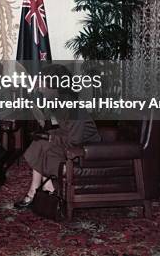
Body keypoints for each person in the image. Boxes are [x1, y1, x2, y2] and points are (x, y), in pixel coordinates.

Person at [14, 64, 101, 209]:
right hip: (72, 140)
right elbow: (62, 128)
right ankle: (36, 190)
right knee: (39, 143)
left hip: (84, 149)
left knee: (44, 145)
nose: (40, 88)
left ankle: (45, 190)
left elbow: (75, 141)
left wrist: (51, 138)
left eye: (42, 83)